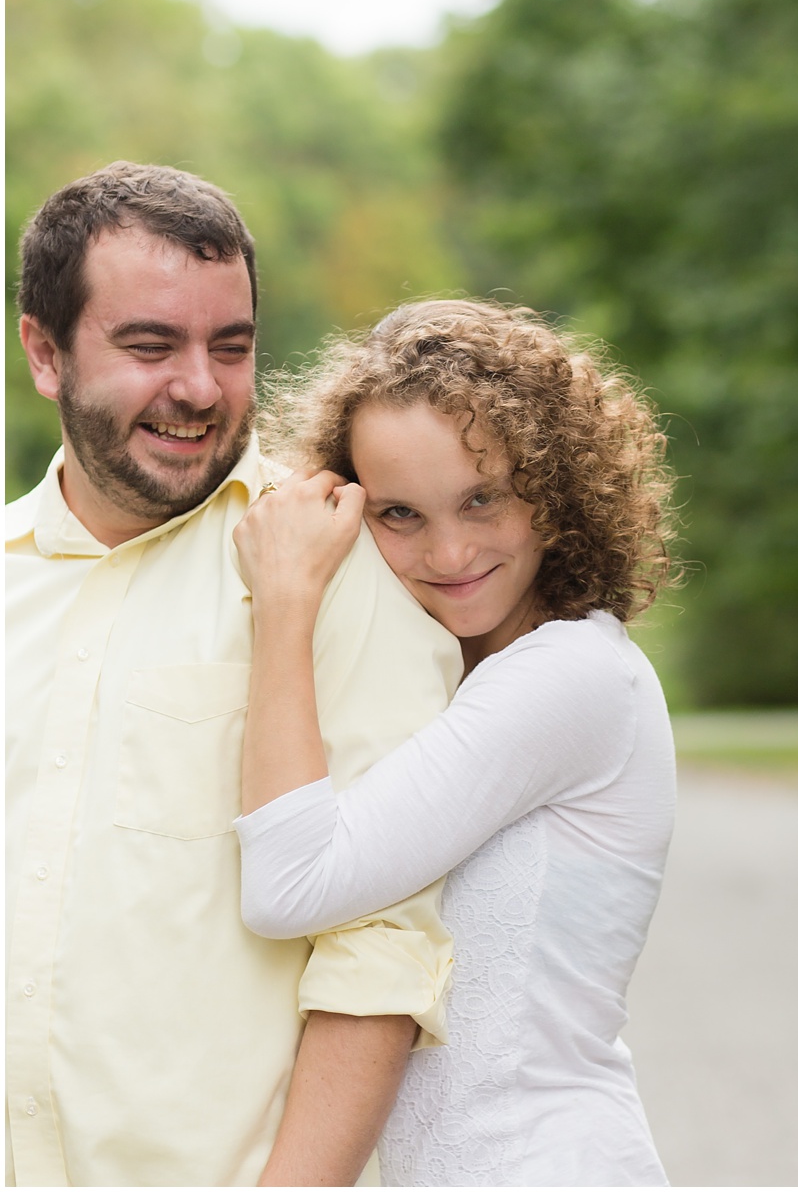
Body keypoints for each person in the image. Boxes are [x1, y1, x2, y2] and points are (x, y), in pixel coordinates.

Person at [5, 162, 460, 1187]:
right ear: (45, 351)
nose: (201, 388)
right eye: (150, 344)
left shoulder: (330, 567)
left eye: (233, 346)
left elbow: (381, 947)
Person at [230, 298, 677, 1186]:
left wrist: (287, 598)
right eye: (399, 514)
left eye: (483, 497)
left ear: (554, 490)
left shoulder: (568, 678)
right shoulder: (464, 676)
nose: (450, 549)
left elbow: (290, 885)